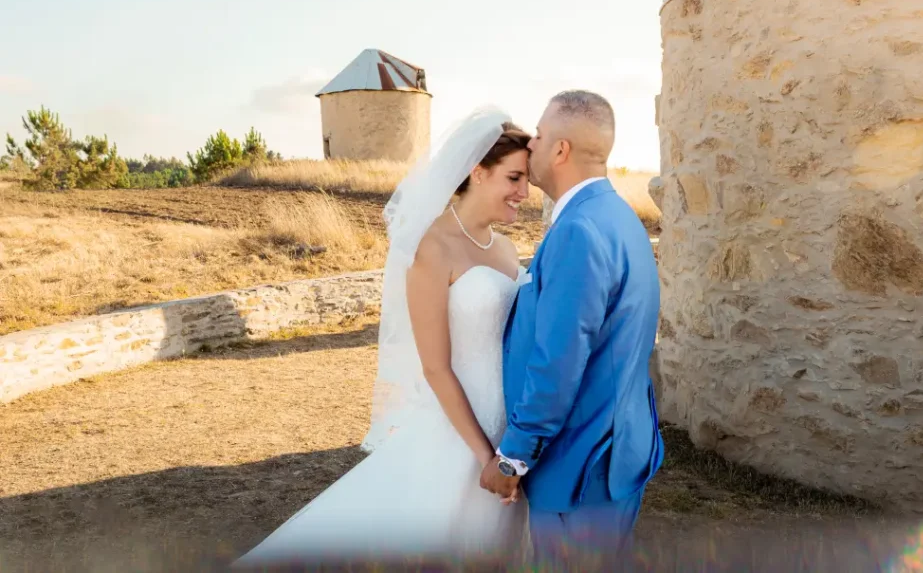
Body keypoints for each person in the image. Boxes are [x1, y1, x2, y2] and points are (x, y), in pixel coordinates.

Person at [233, 108, 532, 568]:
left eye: (527, 180)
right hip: (459, 435)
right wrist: (485, 455)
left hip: (509, 429)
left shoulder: (507, 248)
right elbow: (435, 367)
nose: (524, 193)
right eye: (514, 178)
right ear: (478, 171)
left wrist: (513, 449)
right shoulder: (432, 248)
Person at [479, 90, 664, 567]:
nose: (532, 144)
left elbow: (558, 361)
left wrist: (512, 458)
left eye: (540, 135)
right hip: (618, 451)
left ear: (559, 150)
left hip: (581, 466)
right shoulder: (619, 217)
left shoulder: (578, 231)